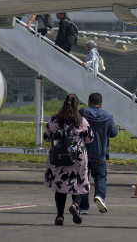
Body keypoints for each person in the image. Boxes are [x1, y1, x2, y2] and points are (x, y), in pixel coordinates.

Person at [43, 93, 94, 226]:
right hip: (77, 157)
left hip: (58, 157)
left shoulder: (54, 120)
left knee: (60, 186)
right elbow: (89, 138)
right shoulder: (81, 121)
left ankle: (60, 216)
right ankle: (76, 205)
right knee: (79, 183)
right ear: (77, 105)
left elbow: (47, 137)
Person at [78, 92, 118, 215]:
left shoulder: (82, 112)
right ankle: (100, 196)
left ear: (89, 102)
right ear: (101, 104)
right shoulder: (108, 116)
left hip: (84, 153)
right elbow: (114, 133)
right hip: (100, 154)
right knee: (100, 177)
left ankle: (83, 207)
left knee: (83, 178)